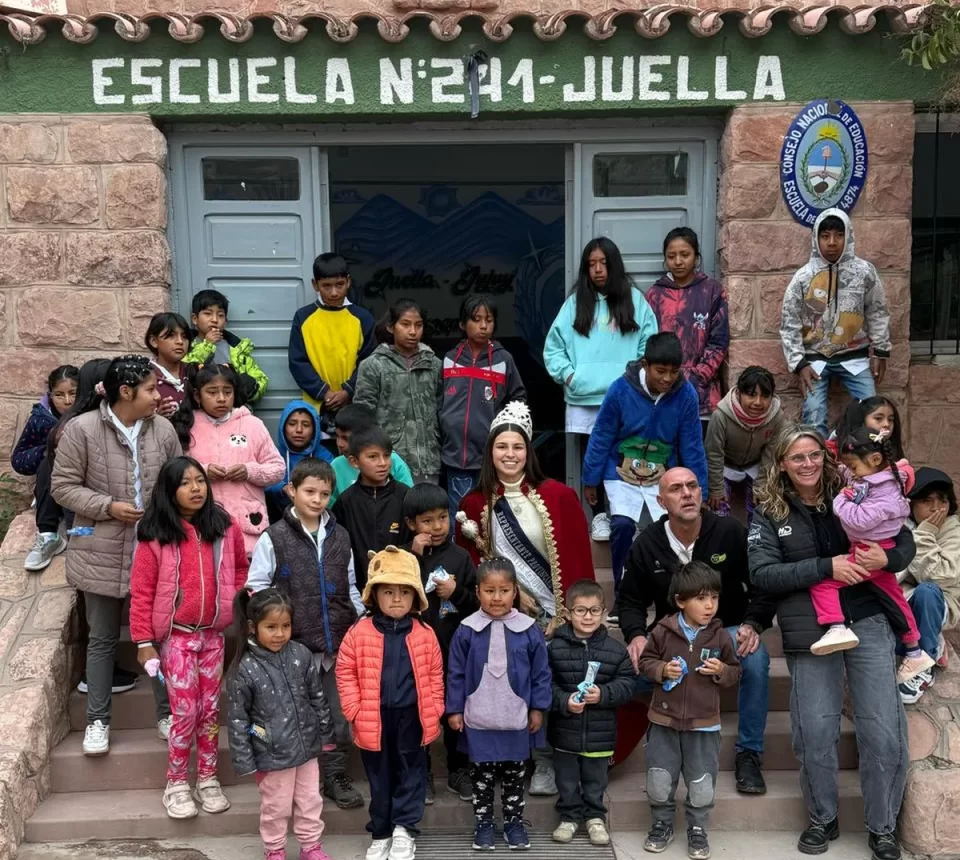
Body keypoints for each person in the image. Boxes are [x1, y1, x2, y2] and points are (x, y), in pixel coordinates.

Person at [748, 425, 915, 860]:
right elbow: (763, 574)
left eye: (814, 455)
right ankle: (823, 818)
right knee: (815, 732)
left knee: (882, 731)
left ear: (826, 457)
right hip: (811, 630)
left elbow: (902, 536)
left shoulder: (856, 488)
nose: (807, 464)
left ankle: (882, 828)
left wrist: (891, 558)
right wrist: (826, 567)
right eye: (797, 457)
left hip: (869, 619)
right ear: (782, 463)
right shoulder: (769, 511)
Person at [457, 400, 594, 797]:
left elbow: (577, 559)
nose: (510, 455)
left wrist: (567, 613)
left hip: (557, 610)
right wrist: (514, 601)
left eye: (518, 447)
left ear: (528, 451)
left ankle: (548, 761)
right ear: (491, 452)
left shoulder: (560, 496)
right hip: (506, 612)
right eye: (502, 447)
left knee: (549, 680)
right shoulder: (474, 504)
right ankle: (509, 760)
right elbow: (476, 568)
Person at [617, 466, 777, 795]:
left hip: (726, 630)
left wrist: (753, 623)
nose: (687, 493)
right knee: (620, 671)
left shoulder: (730, 531)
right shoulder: (647, 544)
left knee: (756, 659)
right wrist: (635, 635)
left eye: (692, 486)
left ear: (702, 494)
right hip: (671, 636)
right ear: (661, 501)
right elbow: (630, 601)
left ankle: (749, 753)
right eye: (676, 489)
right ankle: (608, 746)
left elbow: (762, 583)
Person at [51, 355, 182, 755]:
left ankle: (167, 714)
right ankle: (97, 721)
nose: (156, 395)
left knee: (159, 635)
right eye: (148, 388)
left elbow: (177, 481)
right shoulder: (82, 429)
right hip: (99, 549)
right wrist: (109, 506)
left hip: (155, 548)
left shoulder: (163, 429)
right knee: (103, 638)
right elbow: (62, 487)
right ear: (126, 392)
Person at [129, 456, 248, 819]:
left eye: (200, 481)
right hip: (176, 638)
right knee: (185, 710)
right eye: (185, 483)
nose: (196, 488)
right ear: (169, 491)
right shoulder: (155, 535)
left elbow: (242, 568)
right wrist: (143, 641)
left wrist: (237, 598)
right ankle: (177, 782)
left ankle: (208, 778)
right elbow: (142, 592)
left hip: (213, 636)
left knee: (211, 709)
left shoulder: (225, 528)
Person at [247, 456, 365, 810]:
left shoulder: (340, 536)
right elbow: (256, 589)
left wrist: (360, 625)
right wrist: (270, 637)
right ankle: (298, 782)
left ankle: (335, 776)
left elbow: (352, 586)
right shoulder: (274, 537)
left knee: (337, 715)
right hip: (294, 648)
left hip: (338, 645)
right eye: (309, 491)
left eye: (325, 493)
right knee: (299, 715)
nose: (317, 499)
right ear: (291, 491)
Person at [544, 237, 658, 541]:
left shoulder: (634, 300)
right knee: (592, 459)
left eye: (603, 263)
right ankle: (599, 518)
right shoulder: (574, 304)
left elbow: (651, 344)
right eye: (591, 264)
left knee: (624, 457)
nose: (597, 270)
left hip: (625, 397)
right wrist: (570, 376)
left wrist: (637, 379)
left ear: (614, 265)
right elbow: (553, 349)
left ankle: (626, 519)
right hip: (585, 399)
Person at [336, 547, 445, 860]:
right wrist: (354, 709)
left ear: (415, 596)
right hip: (373, 717)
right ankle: (382, 831)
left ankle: (404, 829)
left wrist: (435, 708)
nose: (396, 599)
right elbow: (345, 672)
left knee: (411, 773)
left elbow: (436, 674)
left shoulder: (425, 633)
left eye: (403, 592)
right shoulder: (359, 632)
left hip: (411, 716)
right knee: (379, 776)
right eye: (388, 591)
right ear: (374, 595)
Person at [583, 331, 707, 593]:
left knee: (667, 529)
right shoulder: (620, 390)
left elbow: (692, 446)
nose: (667, 378)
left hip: (663, 473)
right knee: (623, 527)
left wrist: (700, 489)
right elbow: (602, 434)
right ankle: (623, 591)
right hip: (620, 472)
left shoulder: (686, 395)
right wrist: (590, 478)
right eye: (660, 371)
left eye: (673, 372)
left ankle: (669, 592)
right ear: (645, 365)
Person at [811, 428, 933, 684]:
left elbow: (859, 520)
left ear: (875, 460)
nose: (850, 472)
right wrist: (834, 444)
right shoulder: (871, 476)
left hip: (869, 550)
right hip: (874, 547)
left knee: (825, 582)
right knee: (895, 598)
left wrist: (841, 501)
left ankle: (836, 626)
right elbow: (847, 470)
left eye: (854, 466)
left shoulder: (887, 493)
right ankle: (914, 649)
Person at [446, 557, 552, 850]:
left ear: (515, 591)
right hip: (478, 718)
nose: (496, 597)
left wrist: (537, 707)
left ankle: (514, 823)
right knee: (480, 778)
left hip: (515, 718)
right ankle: (483, 825)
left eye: (503, 590)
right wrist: (454, 709)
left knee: (514, 778)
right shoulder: (467, 629)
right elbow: (454, 673)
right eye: (489, 590)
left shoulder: (529, 629)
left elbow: (542, 673)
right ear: (478, 591)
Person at [638, 562, 741, 860]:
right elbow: (645, 663)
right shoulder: (663, 631)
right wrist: (661, 670)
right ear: (681, 601)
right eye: (700, 598)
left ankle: (698, 828)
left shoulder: (721, 636)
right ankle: (661, 823)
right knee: (659, 778)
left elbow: (736, 672)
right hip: (663, 721)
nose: (709, 605)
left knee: (701, 783)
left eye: (714, 597)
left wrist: (722, 669)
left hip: (704, 725)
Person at [227, 588, 335, 860]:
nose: (279, 634)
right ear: (253, 627)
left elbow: (317, 697)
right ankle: (274, 850)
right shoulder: (246, 668)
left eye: (285, 626)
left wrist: (325, 734)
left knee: (310, 801)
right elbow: (239, 718)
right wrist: (248, 754)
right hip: (272, 755)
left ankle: (311, 847)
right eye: (271, 627)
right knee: (276, 807)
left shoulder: (300, 654)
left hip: (307, 749)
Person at [780, 210, 892, 436]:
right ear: (816, 239)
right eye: (825, 236)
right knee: (814, 414)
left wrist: (881, 351)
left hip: (855, 357)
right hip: (814, 360)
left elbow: (877, 311)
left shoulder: (864, 272)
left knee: (873, 411)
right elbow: (789, 321)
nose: (832, 242)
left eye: (839, 235)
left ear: (848, 236)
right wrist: (799, 364)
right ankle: (818, 467)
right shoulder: (804, 277)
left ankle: (868, 463)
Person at [402, 482, 478, 804]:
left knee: (455, 712)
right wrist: (415, 558)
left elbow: (478, 604)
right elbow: (396, 598)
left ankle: (458, 770)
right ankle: (423, 774)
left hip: (455, 651)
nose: (436, 527)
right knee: (420, 714)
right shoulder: (403, 558)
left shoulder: (461, 557)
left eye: (442, 518)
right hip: (414, 653)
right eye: (427, 520)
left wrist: (456, 594)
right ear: (411, 524)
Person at [547, 579, 634, 847]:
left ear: (604, 612)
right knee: (567, 778)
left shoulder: (615, 650)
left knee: (595, 778)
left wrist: (604, 694)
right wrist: (564, 701)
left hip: (600, 731)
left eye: (595, 610)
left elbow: (628, 683)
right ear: (567, 614)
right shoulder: (554, 648)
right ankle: (570, 816)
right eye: (581, 610)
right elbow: (545, 684)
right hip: (565, 731)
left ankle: (595, 816)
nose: (588, 616)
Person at [175, 363, 285, 556]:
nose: (221, 399)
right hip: (200, 523)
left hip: (247, 527)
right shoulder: (187, 426)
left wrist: (249, 471)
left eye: (227, 392)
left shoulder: (252, 424)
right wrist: (202, 472)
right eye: (212, 392)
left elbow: (277, 469)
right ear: (197, 396)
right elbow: (173, 470)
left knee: (246, 582)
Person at [440, 295, 526, 522]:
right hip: (455, 455)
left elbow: (519, 397)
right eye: (476, 319)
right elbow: (437, 400)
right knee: (459, 516)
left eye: (488, 320)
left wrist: (507, 431)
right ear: (462, 324)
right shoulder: (450, 359)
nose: (483, 325)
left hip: (491, 455)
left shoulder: (503, 359)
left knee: (491, 515)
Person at [354, 298, 442, 484]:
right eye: (405, 324)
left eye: (418, 325)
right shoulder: (373, 365)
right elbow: (363, 417)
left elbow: (442, 411)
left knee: (427, 510)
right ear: (391, 327)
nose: (412, 331)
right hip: (389, 461)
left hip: (428, 461)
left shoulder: (434, 364)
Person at [644, 227, 729, 422]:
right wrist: (660, 378)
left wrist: (697, 378)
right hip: (662, 391)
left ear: (696, 257)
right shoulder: (654, 295)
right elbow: (646, 342)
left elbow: (719, 342)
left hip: (702, 395)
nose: (678, 261)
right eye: (671, 256)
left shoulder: (712, 291)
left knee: (697, 450)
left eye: (685, 254)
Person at [288, 252, 376, 431]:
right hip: (316, 407)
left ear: (348, 282)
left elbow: (369, 362)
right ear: (315, 284)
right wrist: (324, 392)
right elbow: (298, 361)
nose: (334, 292)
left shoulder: (362, 318)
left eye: (339, 285)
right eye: (326, 286)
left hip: (353, 404)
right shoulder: (303, 317)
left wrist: (348, 390)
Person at [898, 467, 960, 703]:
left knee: (927, 591)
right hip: (903, 601)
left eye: (942, 500)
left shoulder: (953, 529)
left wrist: (924, 535)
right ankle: (932, 644)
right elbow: (892, 574)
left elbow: (940, 577)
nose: (937, 508)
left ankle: (922, 666)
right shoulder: (900, 525)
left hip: (939, 601)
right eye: (927, 501)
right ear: (911, 505)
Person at [13, 364, 78, 571]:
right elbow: (19, 460)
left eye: (73, 394)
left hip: (83, 491)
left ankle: (76, 535)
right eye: (59, 395)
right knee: (49, 459)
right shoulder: (42, 419)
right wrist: (47, 449)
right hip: (52, 492)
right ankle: (48, 534)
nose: (67, 401)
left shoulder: (91, 415)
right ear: (50, 395)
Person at [332, 426, 411, 592]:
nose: (382, 463)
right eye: (373, 457)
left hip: (401, 586)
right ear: (354, 461)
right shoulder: (346, 501)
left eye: (387, 455)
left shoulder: (405, 496)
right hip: (360, 588)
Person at [704, 366, 786, 521]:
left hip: (754, 466)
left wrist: (762, 484)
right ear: (739, 393)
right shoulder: (721, 416)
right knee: (718, 508)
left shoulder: (777, 418)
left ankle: (755, 540)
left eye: (765, 396)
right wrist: (716, 488)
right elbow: (714, 453)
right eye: (751, 395)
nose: (758, 402)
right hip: (725, 466)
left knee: (761, 508)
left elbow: (771, 454)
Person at [185, 289, 268, 403]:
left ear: (225, 321)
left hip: (232, 411)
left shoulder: (236, 348)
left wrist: (245, 388)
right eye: (208, 314)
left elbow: (260, 380)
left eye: (220, 315)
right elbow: (184, 371)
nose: (214, 320)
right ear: (195, 319)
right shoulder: (186, 345)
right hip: (199, 411)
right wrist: (207, 345)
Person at [265, 399, 334, 523]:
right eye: (292, 424)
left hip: (315, 516)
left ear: (315, 430)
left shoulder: (324, 456)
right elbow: (263, 483)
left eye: (306, 425)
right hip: (276, 517)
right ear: (283, 427)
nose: (299, 430)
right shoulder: (272, 453)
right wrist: (283, 487)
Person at [330, 405, 413, 505]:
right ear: (354, 462)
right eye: (337, 437)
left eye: (346, 438)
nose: (340, 444)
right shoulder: (336, 465)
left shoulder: (393, 461)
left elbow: (409, 501)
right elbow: (331, 505)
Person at [145, 312, 191, 419]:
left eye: (184, 336)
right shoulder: (144, 376)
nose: (180, 341)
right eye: (171, 335)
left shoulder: (194, 370)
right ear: (154, 341)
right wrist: (156, 418)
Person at [832, 396, 905, 461]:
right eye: (878, 418)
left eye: (890, 419)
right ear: (862, 421)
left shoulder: (894, 453)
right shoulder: (833, 453)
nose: (886, 424)